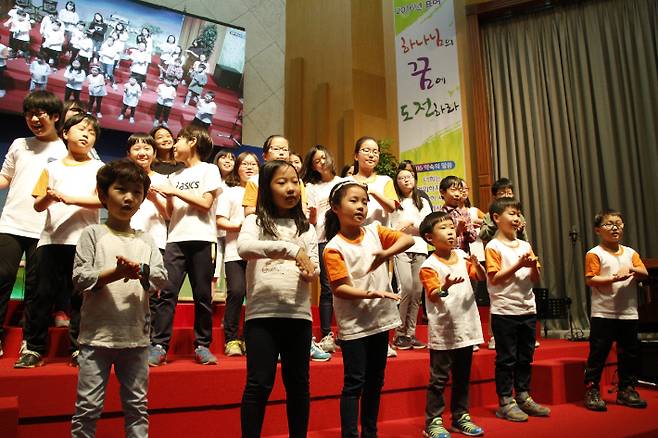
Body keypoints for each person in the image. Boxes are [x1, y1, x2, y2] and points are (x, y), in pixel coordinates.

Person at [70, 159, 167, 437]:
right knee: (88, 408)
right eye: (121, 190)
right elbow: (80, 279)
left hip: (136, 338)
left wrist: (142, 273)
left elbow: (161, 278)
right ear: (103, 195)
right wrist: (116, 273)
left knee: (137, 407)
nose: (129, 198)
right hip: (96, 338)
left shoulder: (146, 240)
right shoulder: (92, 234)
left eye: (136, 192)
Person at [323, 181, 412, 437]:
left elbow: (407, 239)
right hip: (354, 325)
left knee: (376, 382)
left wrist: (386, 254)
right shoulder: (334, 247)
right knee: (354, 383)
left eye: (364, 201)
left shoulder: (374, 230)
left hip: (380, 320)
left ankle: (370, 432)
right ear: (335, 207)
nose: (361, 206)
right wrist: (370, 293)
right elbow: (339, 289)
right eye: (353, 201)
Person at [237, 160, 319, 438]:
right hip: (262, 315)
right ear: (266, 188)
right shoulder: (255, 221)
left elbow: (314, 266)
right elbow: (245, 248)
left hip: (298, 315)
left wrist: (309, 272)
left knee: (299, 385)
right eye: (281, 182)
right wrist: (290, 250)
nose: (290, 188)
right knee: (259, 384)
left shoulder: (307, 228)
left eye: (294, 182)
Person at [14, 113, 104, 368]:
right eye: (81, 129)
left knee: (80, 298)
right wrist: (50, 198)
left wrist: (69, 198)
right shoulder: (52, 168)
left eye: (92, 132)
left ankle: (78, 348)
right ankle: (33, 348)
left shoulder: (98, 169)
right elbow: (38, 205)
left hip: (84, 242)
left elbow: (103, 200)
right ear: (65, 133)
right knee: (42, 295)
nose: (86, 134)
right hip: (51, 240)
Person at [148, 125, 222, 366]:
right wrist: (163, 197)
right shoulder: (173, 176)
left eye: (178, 139)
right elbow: (170, 214)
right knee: (166, 293)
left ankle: (202, 346)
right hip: (175, 240)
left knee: (202, 296)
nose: (174, 144)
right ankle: (159, 345)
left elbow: (205, 204)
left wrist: (174, 192)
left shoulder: (209, 170)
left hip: (203, 239)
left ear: (192, 142)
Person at [0, 91, 66, 359]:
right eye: (30, 114)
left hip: (45, 229)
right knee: (2, 278)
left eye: (41, 113)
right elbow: (5, 176)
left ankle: (32, 343)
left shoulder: (65, 149)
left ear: (55, 117)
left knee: (38, 287)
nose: (35, 119)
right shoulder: (19, 144)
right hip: (12, 223)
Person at [418, 211, 485, 438]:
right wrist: (444, 286)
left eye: (451, 227)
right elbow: (434, 294)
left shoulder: (461, 255)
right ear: (429, 238)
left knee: (462, 375)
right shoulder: (429, 265)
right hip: (444, 329)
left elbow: (478, 277)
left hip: (466, 325)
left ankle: (460, 416)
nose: (450, 232)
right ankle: (433, 421)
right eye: (443, 228)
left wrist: (478, 265)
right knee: (439, 378)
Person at [485, 197, 549, 421]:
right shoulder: (493, 246)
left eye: (518, 214)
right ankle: (505, 401)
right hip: (505, 311)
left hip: (527, 309)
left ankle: (523, 396)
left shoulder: (525, 245)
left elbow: (535, 278)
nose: (516, 218)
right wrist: (518, 265)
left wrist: (531, 267)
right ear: (496, 218)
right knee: (506, 358)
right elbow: (494, 279)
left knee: (525, 356)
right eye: (511, 214)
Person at [583, 209, 649, 411]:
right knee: (599, 352)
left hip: (628, 311)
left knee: (629, 352)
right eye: (610, 224)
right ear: (597, 230)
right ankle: (592, 389)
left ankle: (626, 389)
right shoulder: (595, 253)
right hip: (604, 312)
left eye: (619, 224)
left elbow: (644, 273)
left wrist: (631, 269)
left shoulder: (630, 253)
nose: (615, 228)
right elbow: (590, 280)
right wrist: (612, 279)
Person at [348, 136, 399, 357]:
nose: (371, 154)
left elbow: (392, 207)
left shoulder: (385, 180)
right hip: (351, 241)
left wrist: (371, 191)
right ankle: (356, 337)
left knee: (380, 289)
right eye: (366, 150)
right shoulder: (346, 180)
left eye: (375, 151)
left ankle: (383, 341)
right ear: (356, 155)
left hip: (377, 241)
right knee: (356, 286)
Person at [126, 133, 170, 342]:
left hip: (156, 241)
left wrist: (153, 198)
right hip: (126, 238)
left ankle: (149, 341)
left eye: (147, 149)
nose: (142, 153)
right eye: (137, 149)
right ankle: (125, 336)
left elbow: (170, 214)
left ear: (154, 153)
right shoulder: (123, 177)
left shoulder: (163, 180)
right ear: (129, 154)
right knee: (125, 289)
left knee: (152, 292)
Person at [301, 145, 344, 353]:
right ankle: (327, 334)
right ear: (312, 166)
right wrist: (313, 215)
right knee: (327, 287)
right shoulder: (310, 187)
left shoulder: (343, 183)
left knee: (345, 285)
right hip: (322, 239)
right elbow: (311, 220)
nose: (322, 162)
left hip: (344, 239)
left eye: (324, 157)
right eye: (316, 161)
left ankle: (346, 332)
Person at [216, 152, 258, 356]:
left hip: (258, 253)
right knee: (237, 292)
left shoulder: (263, 192)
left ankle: (251, 338)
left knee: (255, 296)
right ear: (237, 168)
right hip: (234, 252)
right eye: (245, 164)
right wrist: (239, 226)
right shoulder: (229, 192)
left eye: (253, 164)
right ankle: (231, 339)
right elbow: (220, 220)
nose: (249, 168)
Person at [479, 178, 529, 351]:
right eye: (502, 193)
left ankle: (522, 336)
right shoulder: (489, 215)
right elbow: (483, 233)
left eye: (509, 192)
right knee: (498, 299)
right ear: (495, 196)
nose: (506, 195)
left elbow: (525, 238)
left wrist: (521, 232)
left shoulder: (518, 215)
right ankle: (494, 336)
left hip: (518, 254)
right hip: (498, 255)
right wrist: (497, 223)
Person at [391, 168, 432, 350]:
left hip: (420, 248)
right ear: (397, 182)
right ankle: (399, 333)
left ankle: (411, 334)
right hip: (400, 247)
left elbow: (426, 226)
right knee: (406, 288)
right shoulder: (394, 202)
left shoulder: (422, 201)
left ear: (414, 179)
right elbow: (393, 227)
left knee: (417, 291)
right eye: (401, 178)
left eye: (408, 177)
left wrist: (408, 224)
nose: (405, 180)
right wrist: (410, 227)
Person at [211, 150, 236, 300]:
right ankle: (211, 298)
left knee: (231, 269)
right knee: (213, 268)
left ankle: (230, 300)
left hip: (232, 231)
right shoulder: (212, 181)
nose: (227, 161)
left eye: (231, 159)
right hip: (213, 230)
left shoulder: (237, 184)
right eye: (223, 158)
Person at [438, 176, 477, 253]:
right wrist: (457, 231)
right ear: (442, 192)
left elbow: (473, 238)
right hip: (449, 256)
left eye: (459, 190)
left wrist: (466, 231)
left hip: (465, 255)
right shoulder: (440, 214)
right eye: (453, 190)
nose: (457, 194)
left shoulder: (464, 212)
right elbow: (441, 240)